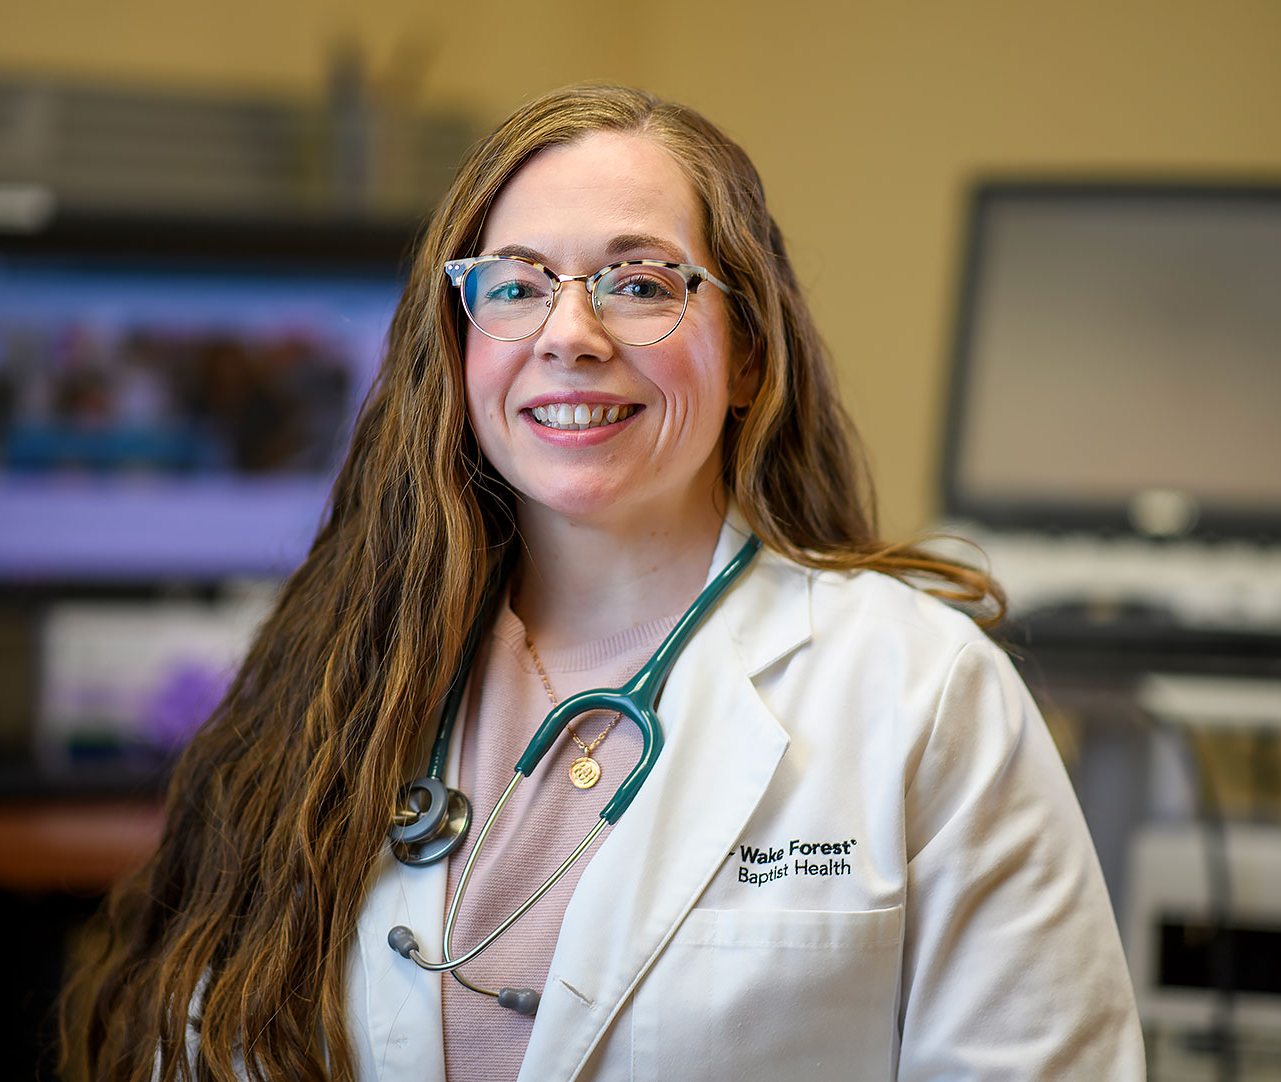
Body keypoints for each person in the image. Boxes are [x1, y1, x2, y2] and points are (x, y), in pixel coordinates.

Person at [68, 84, 1145, 1082]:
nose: (570, 335)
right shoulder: (340, 676)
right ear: (458, 344)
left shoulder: (919, 692)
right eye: (519, 285)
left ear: (750, 356)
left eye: (639, 283)